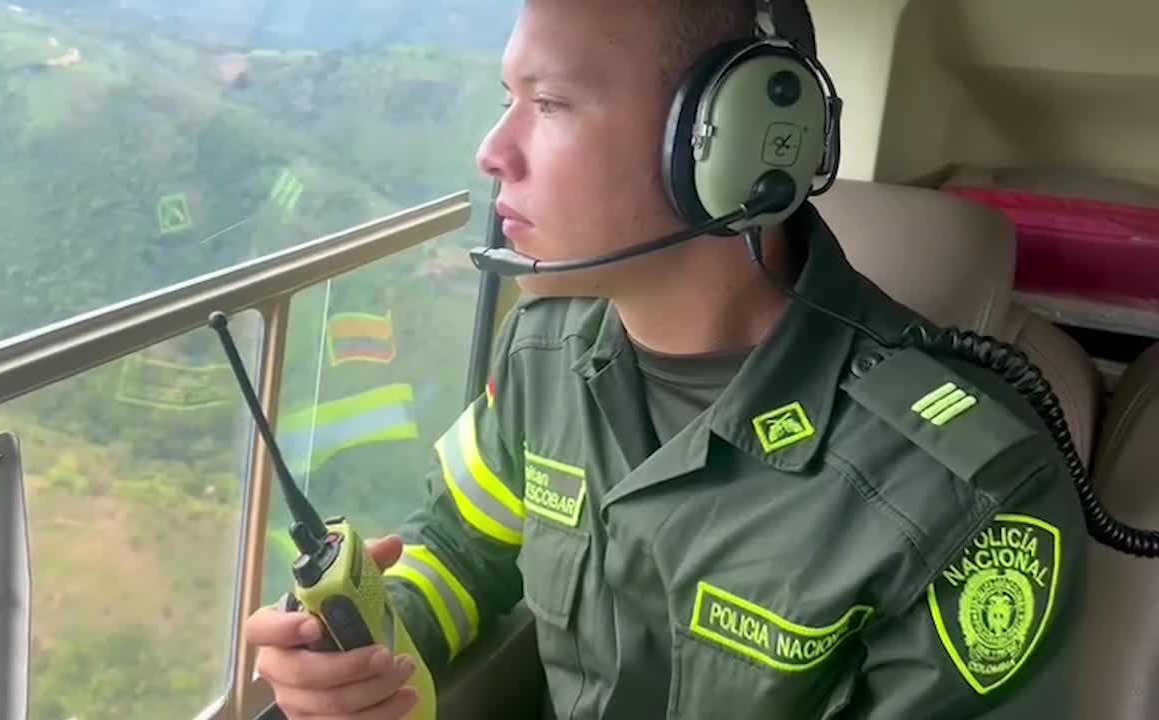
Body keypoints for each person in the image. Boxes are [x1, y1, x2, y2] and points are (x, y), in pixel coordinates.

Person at [244, 0, 1089, 718]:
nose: (492, 150)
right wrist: (372, 647)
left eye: (550, 104)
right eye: (508, 97)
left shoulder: (966, 499)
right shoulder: (541, 357)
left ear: (740, 140)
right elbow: (464, 546)